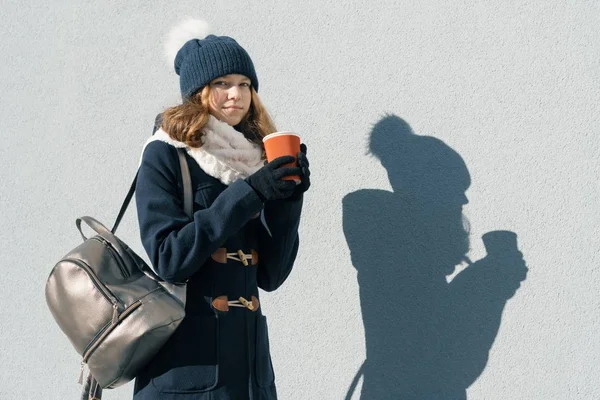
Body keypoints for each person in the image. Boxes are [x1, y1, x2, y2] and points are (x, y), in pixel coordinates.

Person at [133, 20, 310, 400]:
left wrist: (288, 198)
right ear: (198, 91)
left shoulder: (254, 157)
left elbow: (271, 275)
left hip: (249, 377)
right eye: (222, 84)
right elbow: (169, 258)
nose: (236, 94)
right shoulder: (165, 154)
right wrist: (249, 193)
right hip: (187, 377)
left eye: (244, 84)